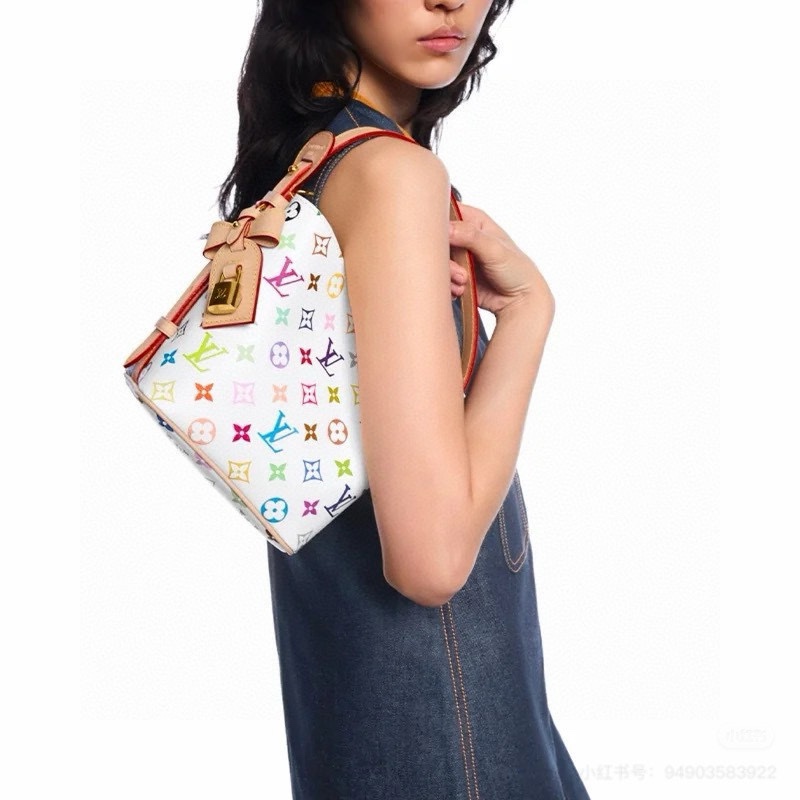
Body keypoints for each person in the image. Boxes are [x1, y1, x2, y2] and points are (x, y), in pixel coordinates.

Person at [218, 1, 592, 798]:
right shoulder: (391, 175)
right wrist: (529, 312)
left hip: (377, 725)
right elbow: (432, 562)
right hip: (450, 730)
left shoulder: (316, 164)